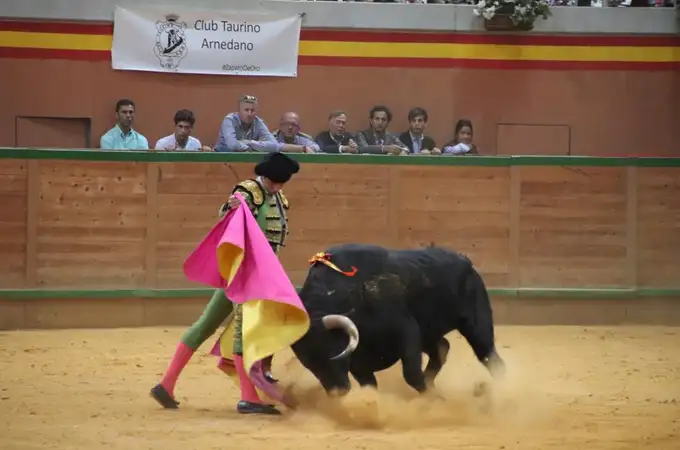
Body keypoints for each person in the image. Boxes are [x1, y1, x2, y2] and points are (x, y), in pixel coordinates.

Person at [150, 152, 301, 415]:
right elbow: (230, 216)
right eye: (275, 182)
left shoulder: (277, 197)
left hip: (257, 275)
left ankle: (166, 384)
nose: (278, 187)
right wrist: (231, 206)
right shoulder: (249, 191)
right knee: (246, 331)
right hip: (244, 274)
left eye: (281, 183)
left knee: (207, 324)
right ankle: (248, 397)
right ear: (265, 176)